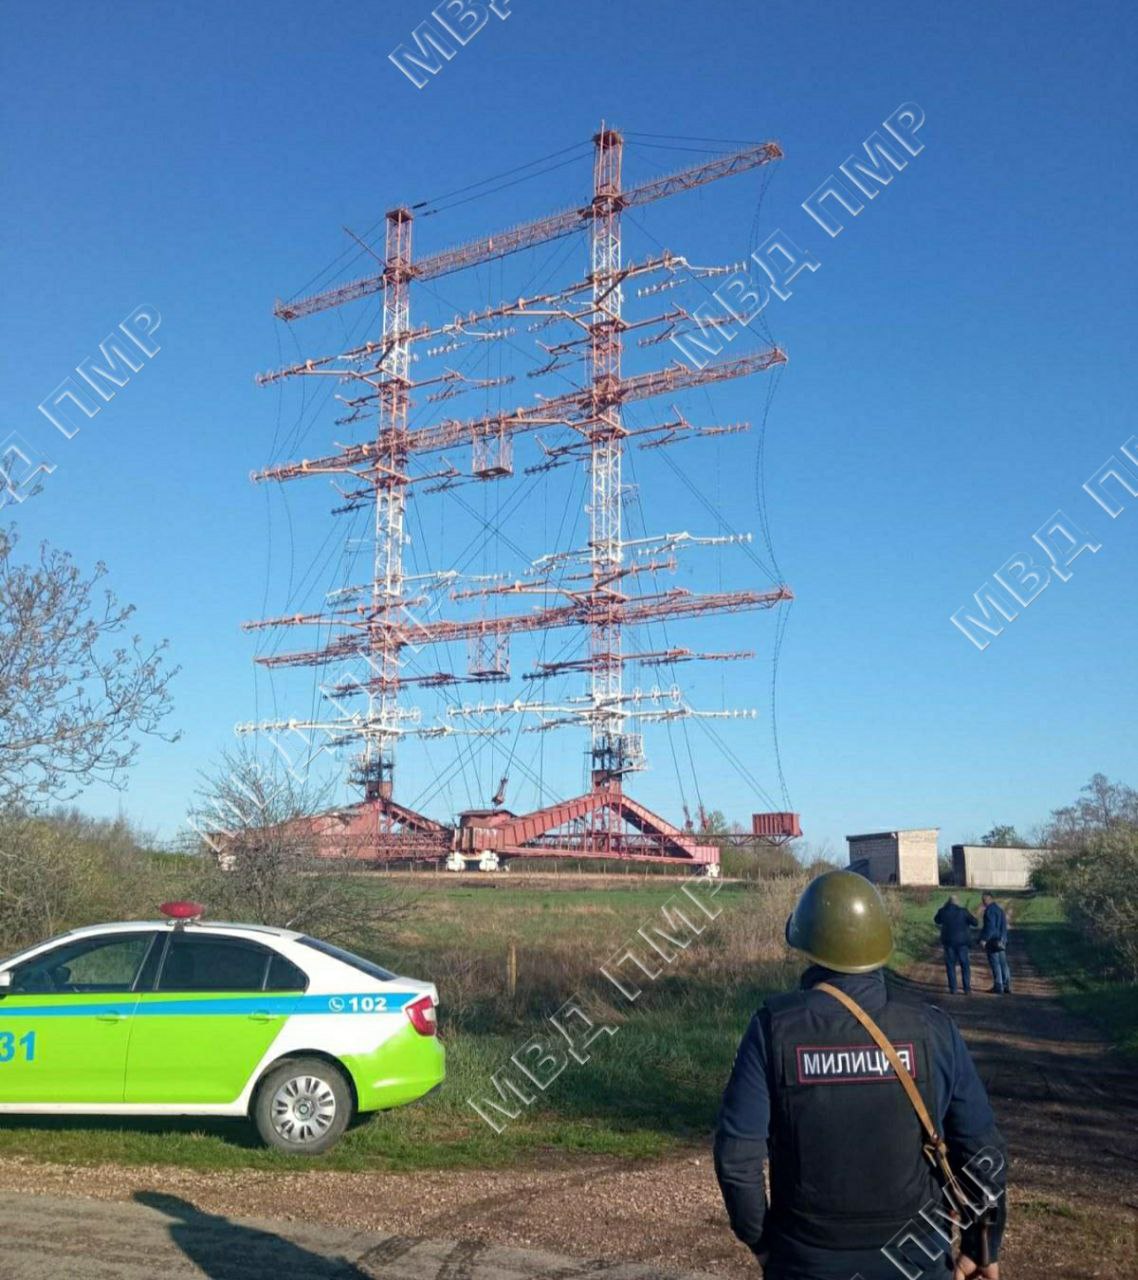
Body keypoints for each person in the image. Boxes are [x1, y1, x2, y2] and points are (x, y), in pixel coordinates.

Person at [714, 870, 1007, 1279]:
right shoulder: (933, 1028)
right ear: (880, 945)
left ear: (808, 946)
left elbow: (736, 1158)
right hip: (917, 1260)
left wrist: (763, 1245)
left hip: (807, 1262)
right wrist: (982, 1245)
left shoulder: (771, 1029)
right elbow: (981, 1150)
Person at [934, 894, 978, 995]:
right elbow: (975, 922)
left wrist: (944, 908)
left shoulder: (943, 911)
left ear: (948, 902)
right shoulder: (963, 911)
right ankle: (967, 988)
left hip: (949, 942)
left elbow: (936, 920)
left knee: (950, 965)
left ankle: (953, 988)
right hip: (962, 943)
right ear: (957, 902)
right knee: (965, 965)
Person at [979, 892, 1011, 994]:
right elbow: (1004, 926)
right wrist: (1004, 939)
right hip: (1002, 941)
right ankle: (1007, 985)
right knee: (1003, 963)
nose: (983, 903)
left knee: (995, 964)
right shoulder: (1000, 909)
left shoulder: (989, 911)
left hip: (993, 941)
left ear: (989, 899)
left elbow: (990, 928)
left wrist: (984, 939)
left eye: (984, 900)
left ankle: (998, 986)